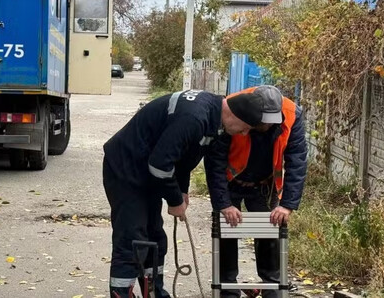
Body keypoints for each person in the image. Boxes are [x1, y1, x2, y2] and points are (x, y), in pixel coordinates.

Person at [103, 88, 275, 298]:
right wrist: (174, 200)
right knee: (132, 238)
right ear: (235, 116)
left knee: (155, 237)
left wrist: (182, 190)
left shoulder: (214, 116)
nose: (244, 133)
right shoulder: (195, 118)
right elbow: (160, 165)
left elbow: (183, 156)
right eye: (245, 128)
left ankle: (154, 292)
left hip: (147, 173)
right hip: (126, 168)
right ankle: (121, 292)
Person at [205, 85, 308, 298]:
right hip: (231, 181)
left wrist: (287, 204)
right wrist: (224, 203)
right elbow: (215, 160)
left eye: (271, 122)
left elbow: (297, 161)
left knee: (269, 232)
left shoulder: (292, 115)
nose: (266, 126)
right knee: (226, 232)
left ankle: (272, 286)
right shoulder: (233, 109)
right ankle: (227, 288)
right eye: (262, 122)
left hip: (263, 184)